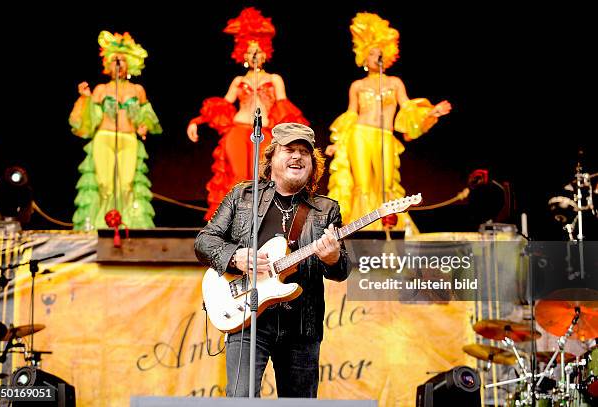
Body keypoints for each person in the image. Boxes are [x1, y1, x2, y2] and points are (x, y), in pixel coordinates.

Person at [194, 123, 351, 397]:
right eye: (289, 149)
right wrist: (235, 256)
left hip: (302, 326)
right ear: (271, 157)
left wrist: (333, 257)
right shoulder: (243, 196)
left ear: (313, 165)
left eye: (304, 152)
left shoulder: (327, 209)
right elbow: (204, 242)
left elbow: (341, 270)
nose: (297, 156)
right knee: (240, 401)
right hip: (248, 319)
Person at [326, 12, 452, 232]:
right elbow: (351, 115)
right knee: (363, 184)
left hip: (384, 136)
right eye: (372, 53)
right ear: (364, 58)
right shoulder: (357, 85)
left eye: (380, 52)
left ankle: (391, 230)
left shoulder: (394, 82)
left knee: (386, 185)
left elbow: (408, 108)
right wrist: (338, 143)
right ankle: (363, 231)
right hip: (359, 135)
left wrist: (432, 112)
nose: (377, 56)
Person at [187, 7, 309, 220]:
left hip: (265, 132)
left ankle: (264, 218)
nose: (255, 54)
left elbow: (285, 108)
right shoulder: (239, 81)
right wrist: (197, 121)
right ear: (243, 53)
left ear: (266, 53)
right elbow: (221, 106)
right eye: (251, 50)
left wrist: (300, 136)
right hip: (238, 130)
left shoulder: (274, 78)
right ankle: (235, 219)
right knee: (237, 176)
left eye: (259, 50)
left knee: (265, 174)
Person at [69, 31, 162, 230]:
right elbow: (87, 120)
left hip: (128, 138)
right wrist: (85, 98)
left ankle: (128, 225)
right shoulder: (101, 89)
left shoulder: (137, 90)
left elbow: (146, 115)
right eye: (114, 60)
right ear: (108, 64)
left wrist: (143, 125)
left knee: (127, 184)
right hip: (104, 137)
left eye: (122, 59)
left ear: (130, 63)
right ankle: (101, 225)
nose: (118, 63)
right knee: (104, 185)